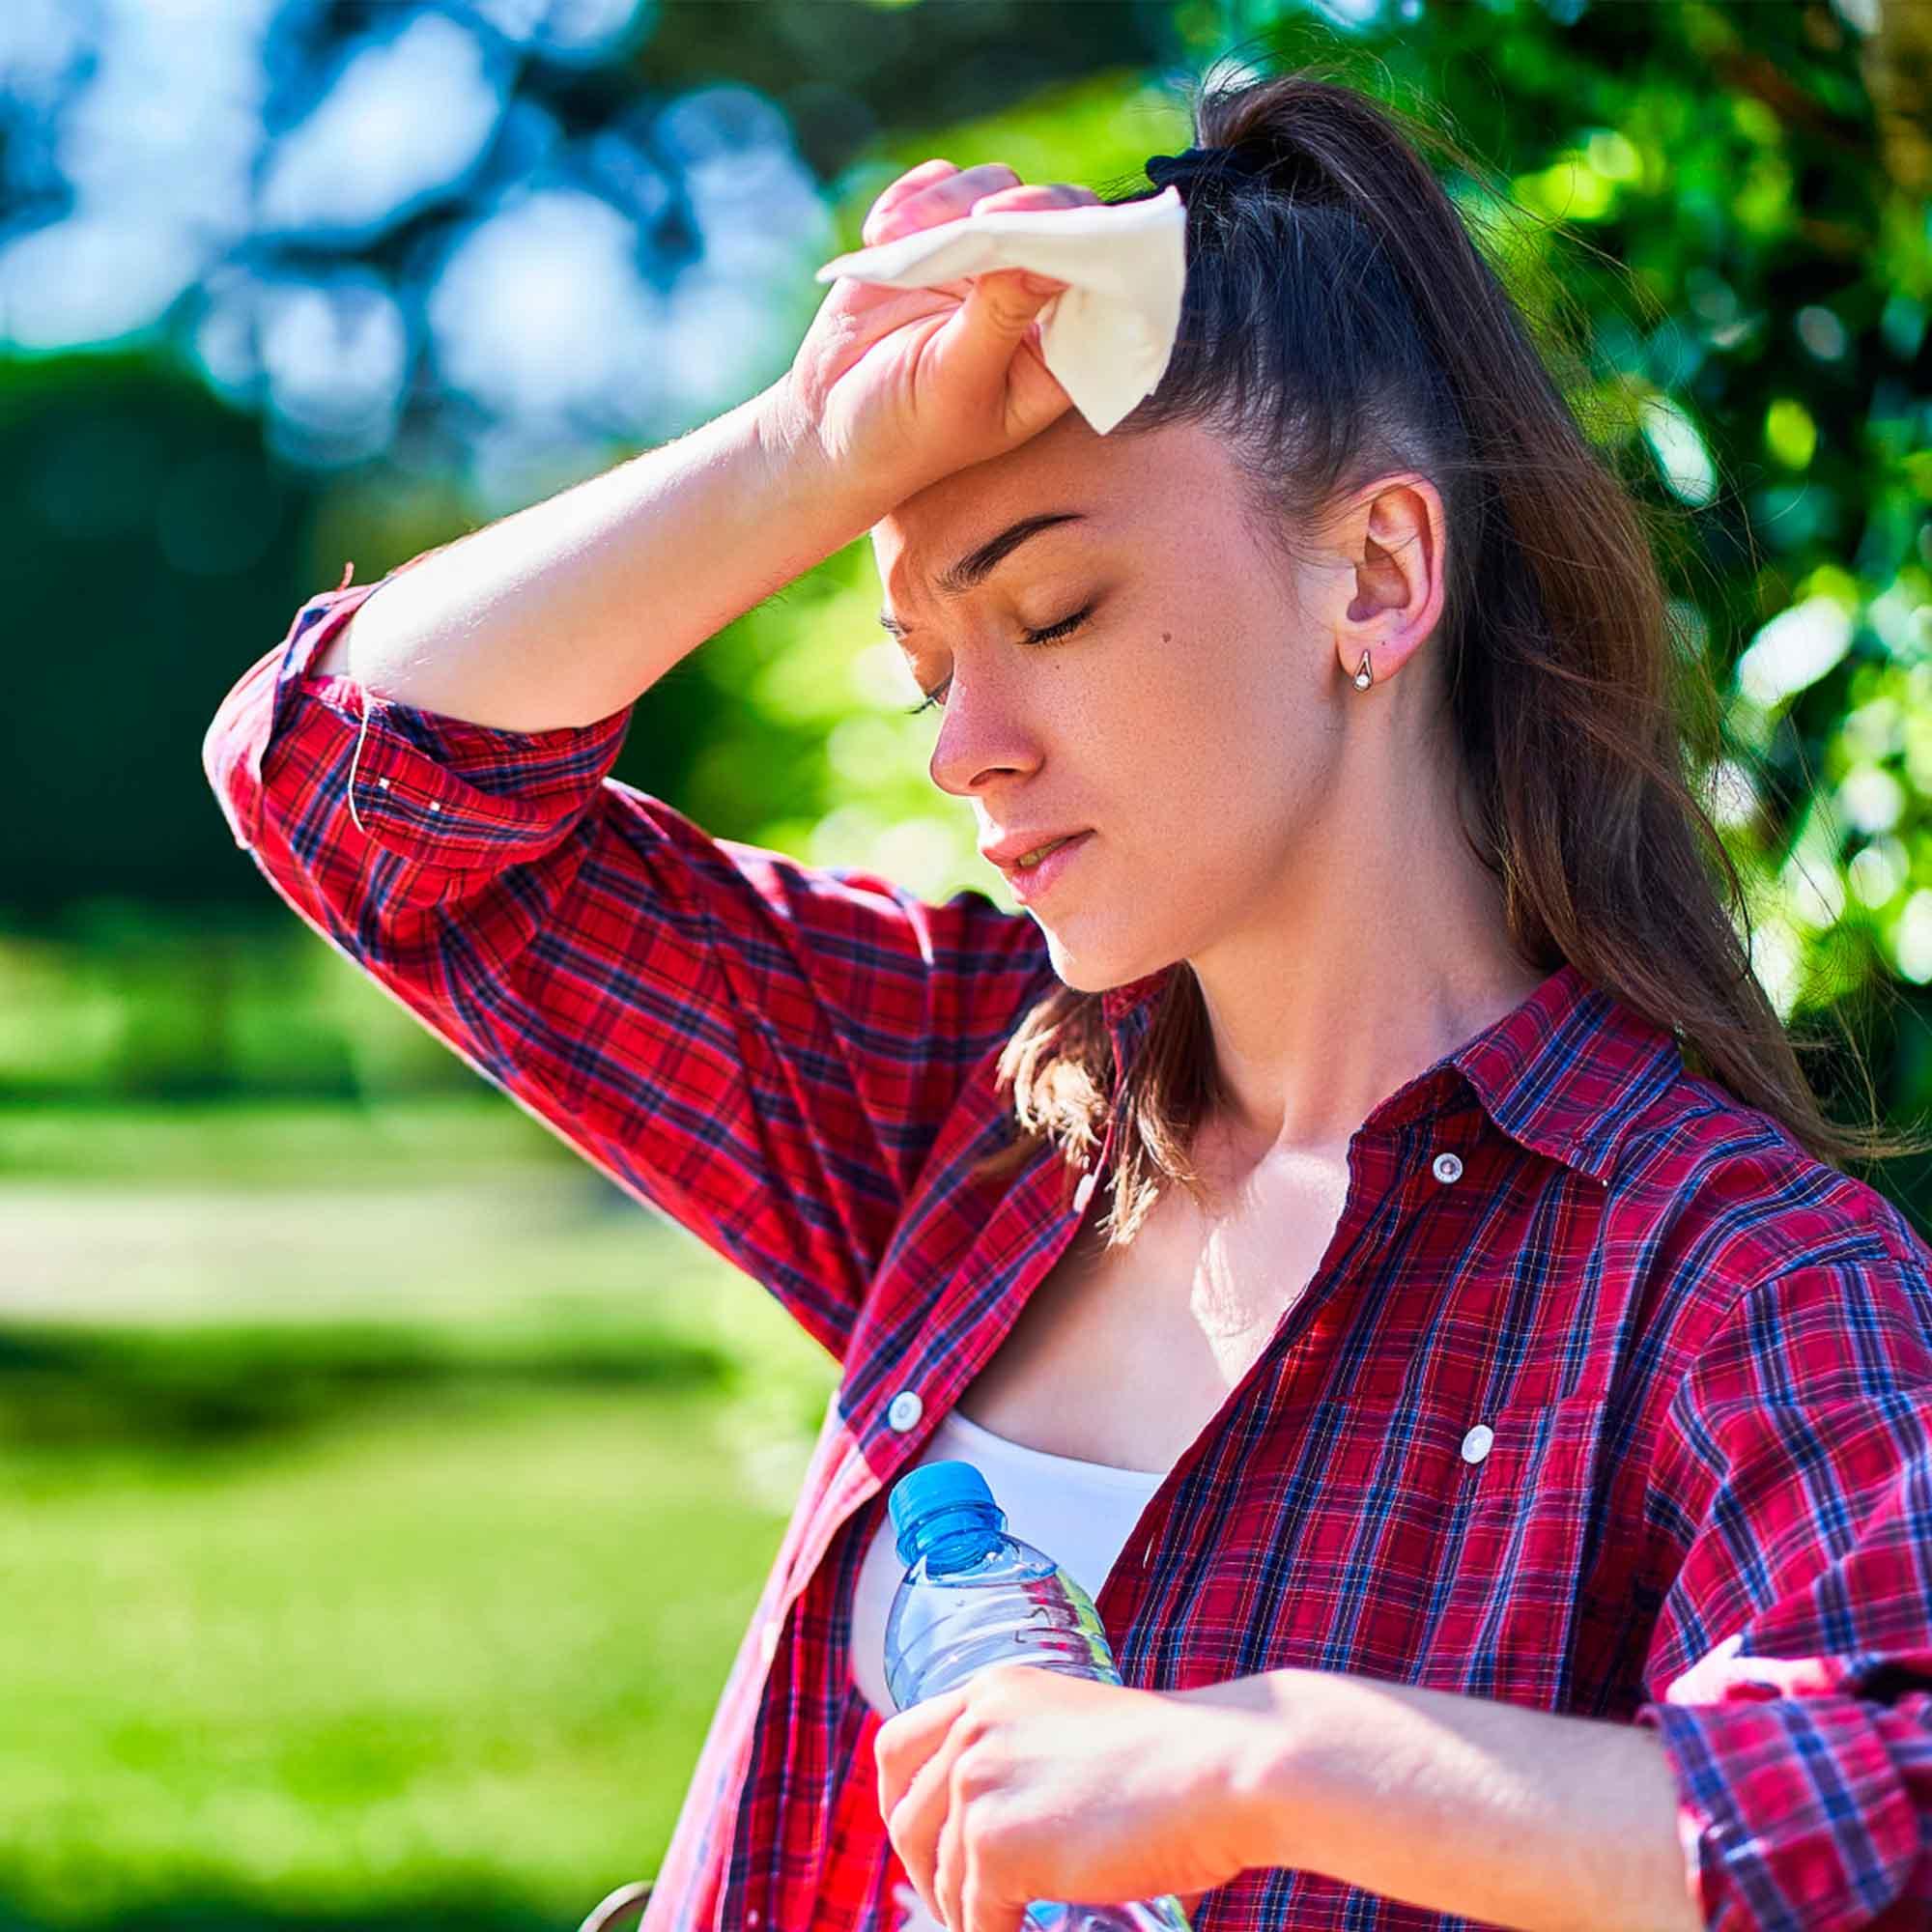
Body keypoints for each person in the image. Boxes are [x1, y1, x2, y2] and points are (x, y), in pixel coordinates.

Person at [202, 63, 1932, 1932]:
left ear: (1376, 570)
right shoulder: (985, 1097)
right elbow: (351, 789)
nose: (962, 750)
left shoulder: (1732, 1279)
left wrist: (1258, 1759)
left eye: (1053, 615)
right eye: (927, 662)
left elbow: (1888, 1817)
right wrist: (814, 447)